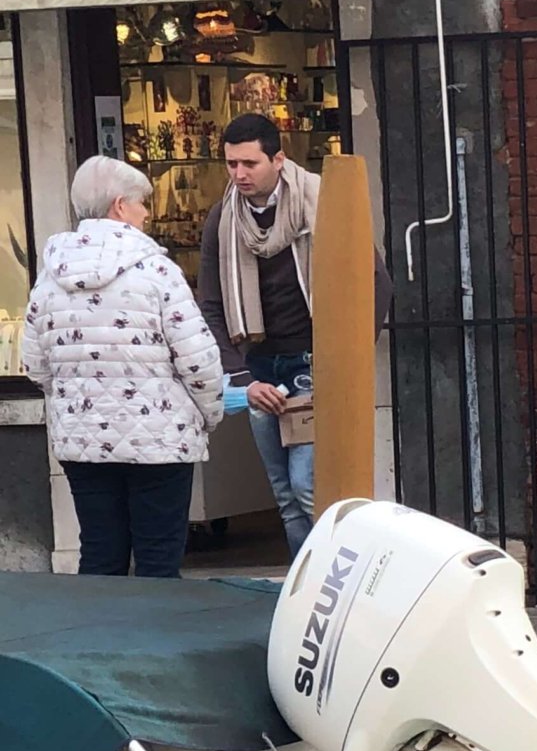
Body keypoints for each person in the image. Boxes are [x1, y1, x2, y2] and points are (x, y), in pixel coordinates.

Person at [22, 156, 227, 577]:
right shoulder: (157, 271)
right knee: (158, 557)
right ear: (120, 206)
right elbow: (198, 359)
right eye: (142, 204)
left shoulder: (49, 277)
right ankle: (157, 640)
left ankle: (97, 639)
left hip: (83, 440)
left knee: (99, 552)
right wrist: (209, 413)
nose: (147, 214)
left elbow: (34, 365)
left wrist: (77, 398)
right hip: (159, 439)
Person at [199, 111, 321, 554]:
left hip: (311, 361)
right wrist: (244, 378)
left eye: (250, 164)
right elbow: (210, 303)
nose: (239, 174)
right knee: (285, 496)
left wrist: (346, 352)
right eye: (231, 164)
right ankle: (302, 591)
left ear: (278, 160)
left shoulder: (317, 202)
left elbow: (371, 279)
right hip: (259, 365)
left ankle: (331, 584)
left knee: (307, 486)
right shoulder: (222, 218)